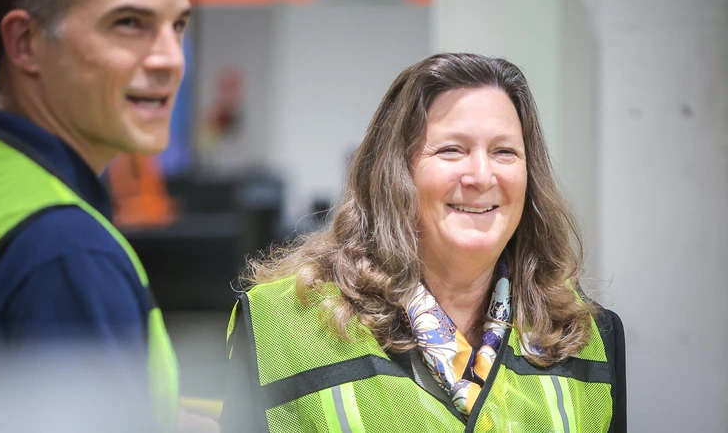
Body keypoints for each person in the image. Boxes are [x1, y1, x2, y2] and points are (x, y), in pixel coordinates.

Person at [221, 53, 626, 432]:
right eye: (452, 150)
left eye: (504, 152)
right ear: (395, 172)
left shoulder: (587, 336)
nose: (481, 176)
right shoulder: (280, 325)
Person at [0, 0, 202, 431]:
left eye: (178, 26)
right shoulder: (66, 257)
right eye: (129, 23)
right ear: (25, 42)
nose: (171, 59)